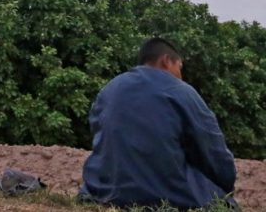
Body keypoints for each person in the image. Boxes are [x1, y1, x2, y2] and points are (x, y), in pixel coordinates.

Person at [79, 38, 239, 210]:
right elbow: (214, 152)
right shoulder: (181, 91)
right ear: (166, 61)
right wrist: (225, 186)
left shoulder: (109, 90)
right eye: (180, 67)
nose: (180, 75)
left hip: (102, 192)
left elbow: (100, 139)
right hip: (168, 196)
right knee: (226, 204)